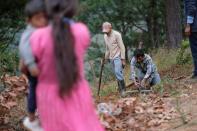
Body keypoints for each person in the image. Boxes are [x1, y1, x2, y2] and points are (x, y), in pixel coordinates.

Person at [29, 0, 105, 130]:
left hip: (48, 98)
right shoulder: (81, 31)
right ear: (72, 8)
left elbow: (33, 75)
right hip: (77, 91)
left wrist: (31, 108)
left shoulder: (37, 37)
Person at [18, 0, 47, 130]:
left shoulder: (42, 28)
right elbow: (24, 48)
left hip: (43, 67)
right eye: (38, 18)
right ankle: (31, 117)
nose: (42, 21)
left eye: (44, 17)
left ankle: (44, 115)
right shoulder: (30, 31)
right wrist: (31, 65)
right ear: (29, 20)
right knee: (34, 90)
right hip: (33, 68)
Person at [102, 22, 126, 97]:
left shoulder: (117, 34)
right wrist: (105, 59)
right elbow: (107, 49)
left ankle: (123, 90)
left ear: (110, 28)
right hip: (111, 57)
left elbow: (122, 47)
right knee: (116, 74)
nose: (106, 32)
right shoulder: (105, 36)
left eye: (107, 30)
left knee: (118, 72)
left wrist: (123, 59)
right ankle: (120, 89)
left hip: (118, 56)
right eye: (104, 31)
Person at [185, 0, 197, 79]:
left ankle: (196, 72)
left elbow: (192, 8)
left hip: (194, 27)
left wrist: (188, 25)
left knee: (195, 51)